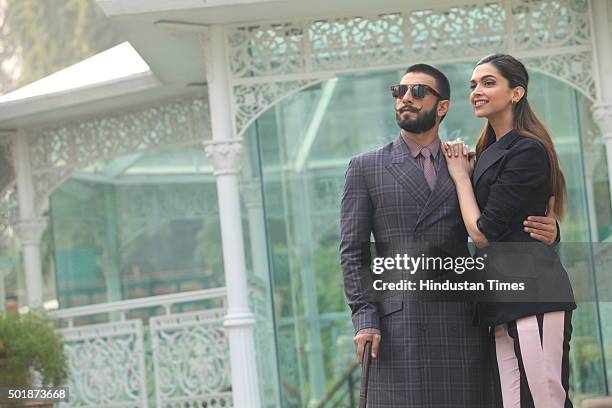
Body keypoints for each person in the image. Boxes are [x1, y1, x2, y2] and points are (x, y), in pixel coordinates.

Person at [340, 63, 560, 407]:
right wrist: (364, 319)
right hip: (399, 326)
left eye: (418, 92)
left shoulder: (468, 163)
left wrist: (552, 230)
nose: (405, 99)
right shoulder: (365, 168)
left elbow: (500, 220)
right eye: (399, 92)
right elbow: (353, 253)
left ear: (442, 107)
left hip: (463, 323)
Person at [443, 54, 576, 407]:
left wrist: (460, 178)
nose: (476, 91)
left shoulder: (527, 149)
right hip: (501, 299)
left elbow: (484, 233)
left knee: (545, 400)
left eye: (488, 83)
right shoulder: (487, 150)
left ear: (516, 93)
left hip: (534, 295)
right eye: (473, 85)